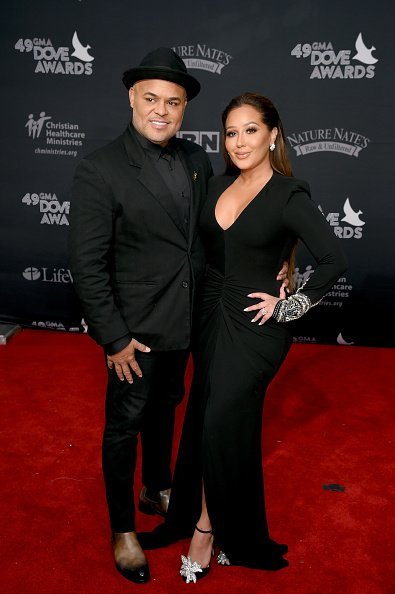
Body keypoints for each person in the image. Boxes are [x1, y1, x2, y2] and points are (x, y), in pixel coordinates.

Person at [141, 92, 347, 583]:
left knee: (220, 424)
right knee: (207, 420)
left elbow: (335, 260)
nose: (239, 142)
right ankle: (223, 523)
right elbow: (197, 254)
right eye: (230, 132)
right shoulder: (213, 188)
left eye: (250, 130)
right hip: (210, 317)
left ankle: (206, 530)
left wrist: (289, 304)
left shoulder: (289, 195)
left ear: (273, 134)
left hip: (258, 327)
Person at [68, 47, 213, 584]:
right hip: (134, 334)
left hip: (185, 322)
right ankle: (123, 528)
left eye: (172, 102)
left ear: (183, 109)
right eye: (151, 98)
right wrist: (113, 337)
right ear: (132, 97)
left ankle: (156, 486)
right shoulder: (100, 168)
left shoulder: (197, 161)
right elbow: (87, 264)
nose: (161, 110)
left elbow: (205, 239)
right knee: (124, 425)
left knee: (167, 408)